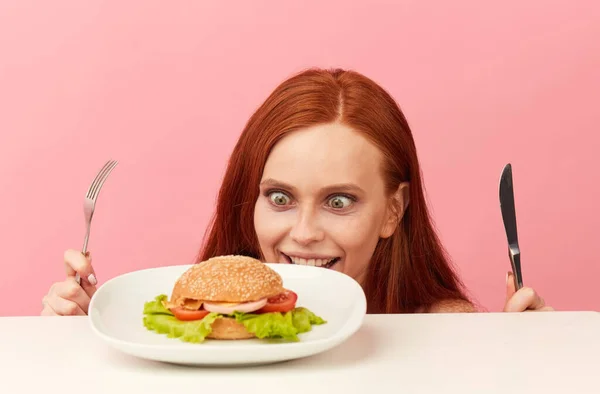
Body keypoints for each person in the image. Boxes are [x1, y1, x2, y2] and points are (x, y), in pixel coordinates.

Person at [41, 68, 553, 316]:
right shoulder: (203, 325)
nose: (303, 235)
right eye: (280, 198)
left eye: (339, 201)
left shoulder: (449, 334)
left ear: (392, 211)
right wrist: (81, 360)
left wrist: (531, 374)